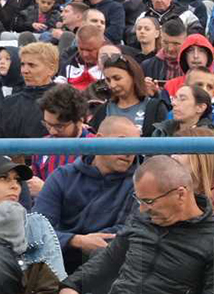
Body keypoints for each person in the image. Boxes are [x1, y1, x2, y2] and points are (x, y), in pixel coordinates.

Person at [38, 155, 214, 294]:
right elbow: (108, 260)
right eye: (139, 200)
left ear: (181, 195)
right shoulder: (142, 219)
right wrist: (72, 285)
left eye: (149, 201)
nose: (142, 209)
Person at [34, 114, 138, 272]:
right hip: (56, 269)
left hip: (109, 271)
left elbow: (127, 233)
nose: (129, 152)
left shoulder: (139, 183)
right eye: (122, 141)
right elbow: (36, 230)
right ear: (99, 139)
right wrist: (77, 241)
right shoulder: (62, 176)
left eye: (136, 146)